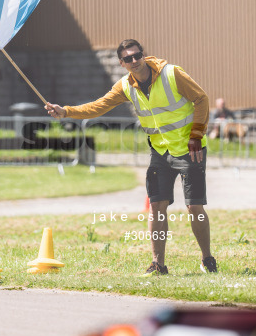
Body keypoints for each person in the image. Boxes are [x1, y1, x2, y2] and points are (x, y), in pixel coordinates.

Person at [44, 39, 218, 275]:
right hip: (160, 151)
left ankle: (207, 259)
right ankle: (158, 265)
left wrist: (197, 134)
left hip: (190, 149)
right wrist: (66, 111)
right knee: (156, 207)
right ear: (121, 63)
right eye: (128, 59)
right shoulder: (126, 86)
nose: (134, 61)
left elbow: (201, 99)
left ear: (143, 55)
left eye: (137, 56)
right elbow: (98, 106)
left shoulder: (171, 74)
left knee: (194, 207)